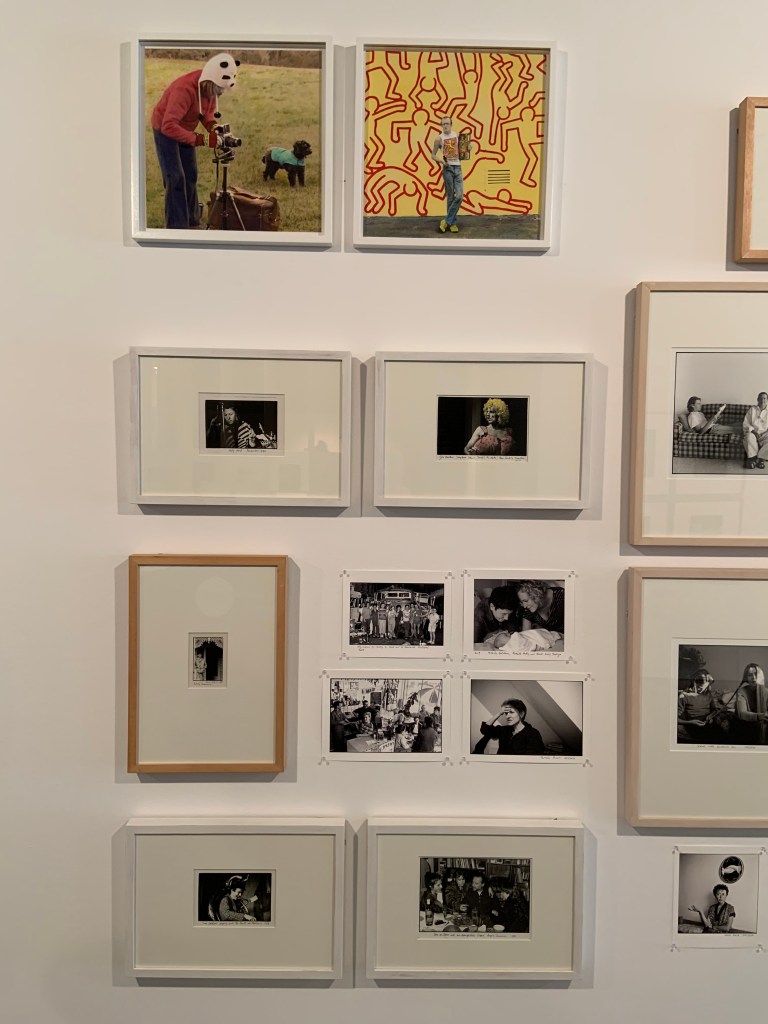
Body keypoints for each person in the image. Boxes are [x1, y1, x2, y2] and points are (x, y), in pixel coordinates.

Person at [151, 53, 240, 229]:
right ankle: (177, 228)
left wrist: (213, 127)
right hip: (165, 129)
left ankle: (192, 222)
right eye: (217, 90)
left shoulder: (210, 87)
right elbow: (169, 125)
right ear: (209, 82)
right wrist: (202, 139)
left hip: (186, 127)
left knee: (190, 174)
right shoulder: (184, 90)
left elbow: (206, 111)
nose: (219, 94)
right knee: (176, 177)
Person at [431, 116, 471, 233]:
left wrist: (468, 147)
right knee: (450, 197)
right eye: (443, 124)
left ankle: (446, 221)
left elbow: (464, 149)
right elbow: (432, 155)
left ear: (451, 124)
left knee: (459, 196)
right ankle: (452, 223)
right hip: (447, 169)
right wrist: (441, 161)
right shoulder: (439, 139)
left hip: (458, 168)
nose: (445, 126)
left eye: (447, 123)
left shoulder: (457, 135)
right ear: (441, 125)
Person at [475, 698, 546, 755]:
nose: (508, 716)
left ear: (521, 714)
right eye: (506, 713)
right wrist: (499, 713)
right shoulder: (504, 730)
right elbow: (484, 730)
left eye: (511, 712)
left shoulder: (533, 734)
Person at [677, 671, 729, 743]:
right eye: (697, 682)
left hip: (707, 723)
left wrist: (710, 716)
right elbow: (675, 719)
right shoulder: (684, 696)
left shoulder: (708, 695)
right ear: (693, 681)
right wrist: (690, 722)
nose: (700, 686)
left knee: (724, 736)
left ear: (708, 683)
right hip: (693, 725)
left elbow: (714, 710)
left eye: (704, 683)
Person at [206, 404, 272, 450]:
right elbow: (208, 442)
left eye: (231, 414)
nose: (228, 417)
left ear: (236, 414)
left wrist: (253, 443)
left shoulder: (245, 426)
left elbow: (253, 446)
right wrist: (211, 426)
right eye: (225, 415)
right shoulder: (221, 427)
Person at [735, 663, 768, 744]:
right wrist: (761, 716)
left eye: (756, 674)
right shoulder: (741, 691)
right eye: (750, 675)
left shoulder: (767, 692)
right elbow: (742, 714)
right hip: (748, 726)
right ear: (746, 677)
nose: (753, 677)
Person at [742, 391, 768, 469]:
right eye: (760, 398)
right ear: (757, 399)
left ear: (767, 400)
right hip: (753, 433)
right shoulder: (752, 409)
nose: (762, 400)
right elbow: (746, 423)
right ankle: (753, 458)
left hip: (765, 434)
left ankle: (760, 459)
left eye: (764, 398)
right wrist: (754, 432)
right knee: (748, 437)